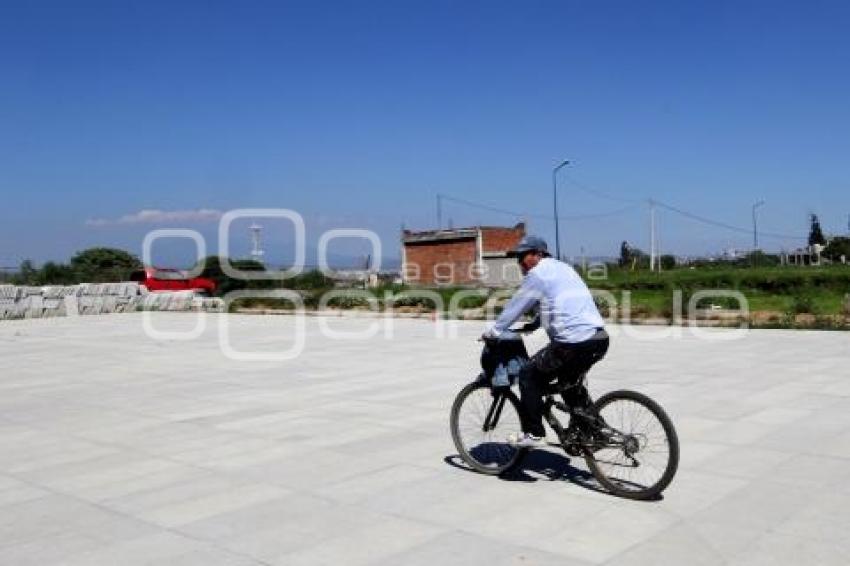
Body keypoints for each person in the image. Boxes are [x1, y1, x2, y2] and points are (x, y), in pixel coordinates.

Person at [482, 235, 609, 448]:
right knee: (569, 385)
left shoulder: (538, 273)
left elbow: (516, 305)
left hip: (573, 344)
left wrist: (494, 331)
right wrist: (533, 325)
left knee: (528, 375)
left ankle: (534, 433)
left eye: (523, 257)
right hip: (598, 339)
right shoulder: (562, 268)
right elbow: (557, 303)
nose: (520, 263)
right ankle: (595, 431)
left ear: (538, 255)